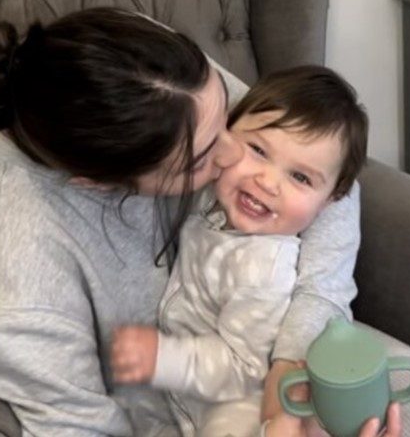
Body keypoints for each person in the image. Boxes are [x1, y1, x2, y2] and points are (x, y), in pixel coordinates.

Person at [0, 7, 368, 437]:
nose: (235, 155)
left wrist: (293, 363)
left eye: (228, 117)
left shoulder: (157, 71)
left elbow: (323, 164)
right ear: (98, 184)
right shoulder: (19, 275)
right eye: (204, 154)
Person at [110, 65, 369, 437]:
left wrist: (162, 358)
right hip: (183, 390)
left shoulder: (263, 269)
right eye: (258, 150)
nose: (266, 181)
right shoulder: (213, 196)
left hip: (241, 405)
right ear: (224, 132)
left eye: (300, 177)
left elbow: (244, 367)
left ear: (331, 200)